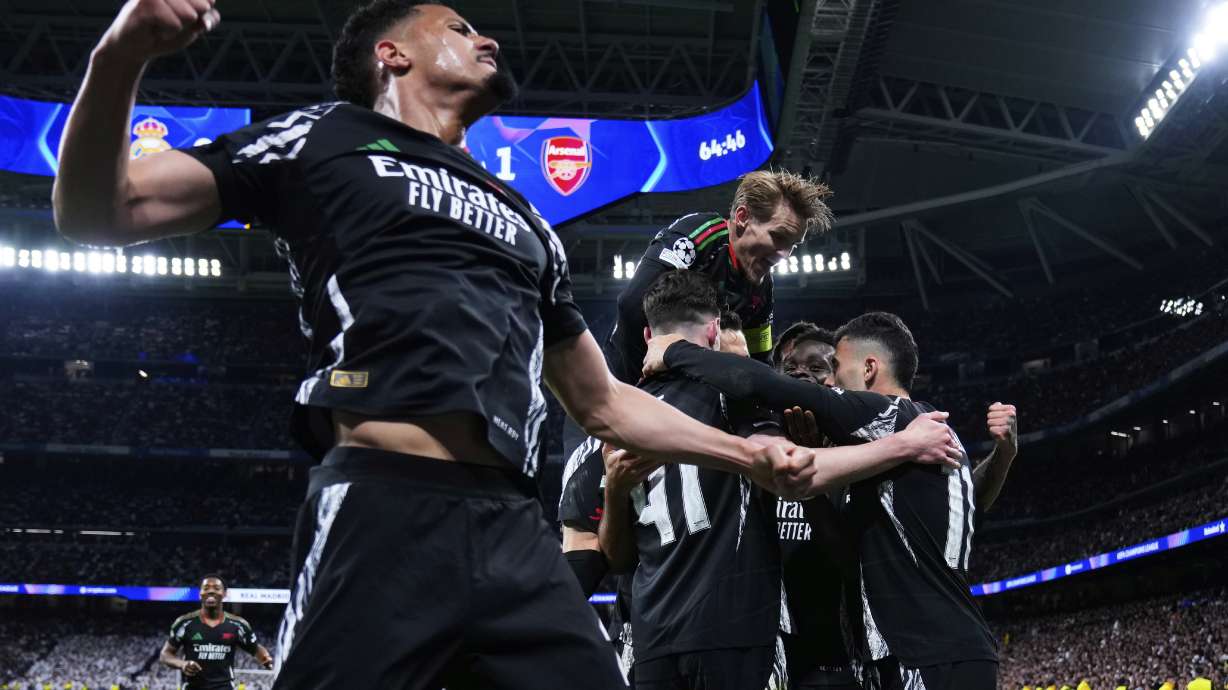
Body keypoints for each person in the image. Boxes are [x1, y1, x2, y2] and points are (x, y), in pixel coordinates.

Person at [53, 2, 826, 688]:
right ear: (392, 55)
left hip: (515, 532)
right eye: (457, 27)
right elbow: (100, 208)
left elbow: (602, 402)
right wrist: (121, 54)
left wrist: (744, 454)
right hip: (384, 507)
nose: (484, 35)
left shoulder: (526, 220)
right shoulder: (322, 137)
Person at [598, 273, 964, 690]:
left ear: (648, 334)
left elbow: (618, 559)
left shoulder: (624, 417)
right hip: (731, 632)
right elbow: (790, 471)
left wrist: (613, 491)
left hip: (653, 641)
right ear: (715, 332)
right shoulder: (734, 400)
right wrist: (902, 444)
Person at [603, 171, 834, 383]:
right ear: (743, 217)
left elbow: (759, 358)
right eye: (778, 236)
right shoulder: (698, 237)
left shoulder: (763, 288)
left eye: (792, 245)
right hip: (625, 380)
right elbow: (631, 305)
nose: (784, 254)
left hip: (684, 389)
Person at [160, 575, 273, 690]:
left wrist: (265, 658)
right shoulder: (184, 623)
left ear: (224, 594)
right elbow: (165, 655)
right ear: (200, 593)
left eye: (216, 588)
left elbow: (255, 648)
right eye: (206, 588)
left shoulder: (238, 625)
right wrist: (182, 664)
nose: (211, 591)